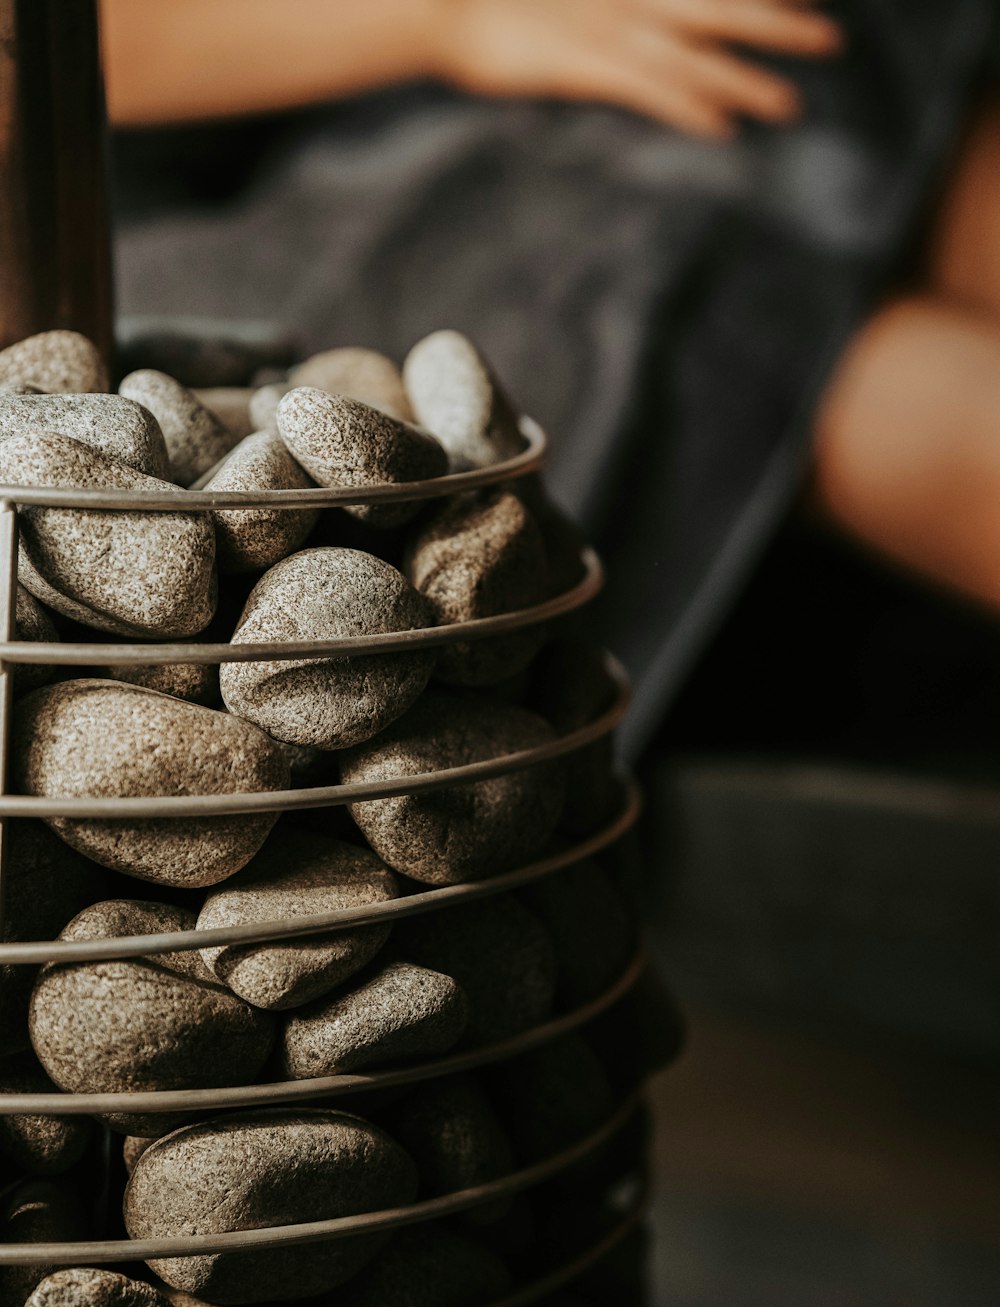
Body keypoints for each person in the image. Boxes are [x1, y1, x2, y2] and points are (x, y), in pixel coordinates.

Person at [101, 0, 1000, 755]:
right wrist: (450, 18)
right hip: (156, 212)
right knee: (661, 277)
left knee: (769, 56)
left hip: (353, 91)